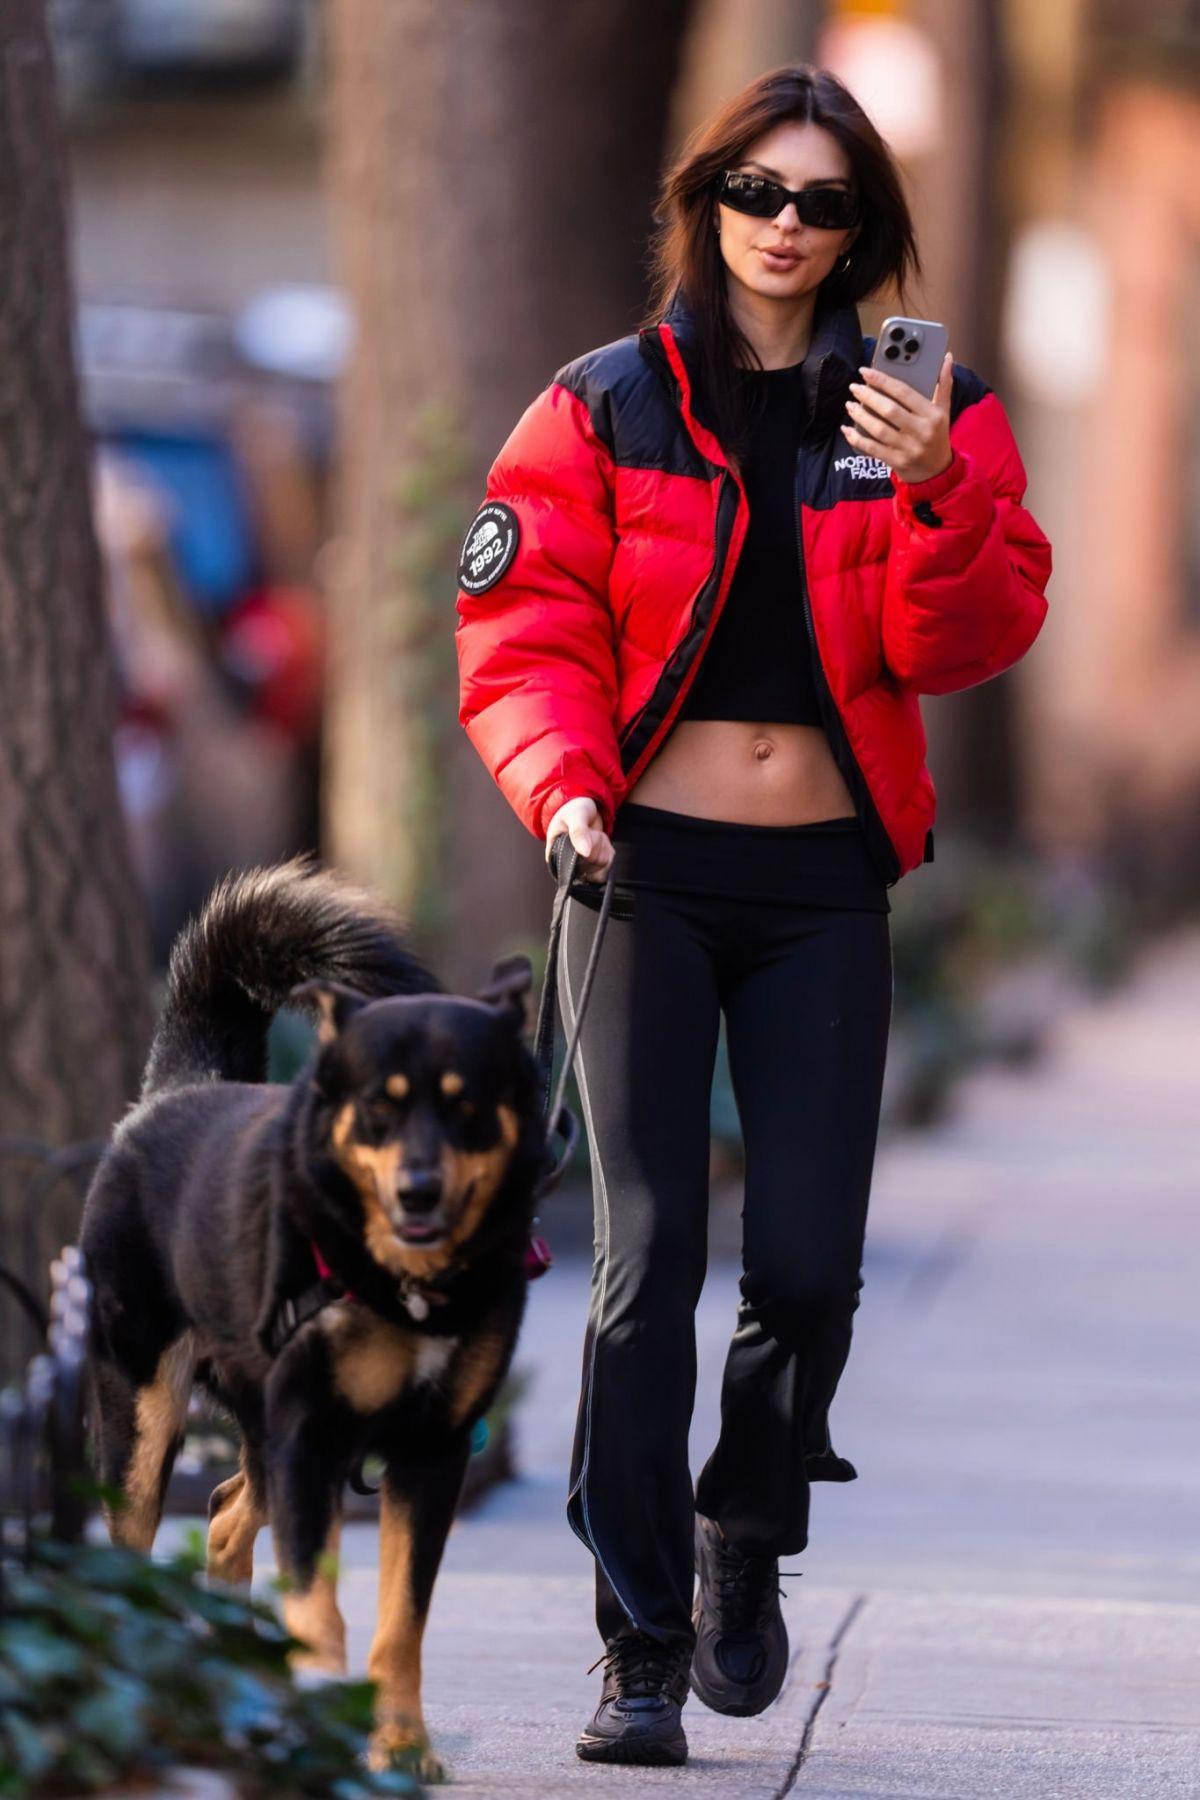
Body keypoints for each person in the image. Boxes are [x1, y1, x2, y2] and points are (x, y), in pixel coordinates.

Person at [454, 63, 1052, 1768]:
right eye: (761, 194)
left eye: (827, 204)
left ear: (867, 230)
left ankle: (743, 1525)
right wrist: (564, 782)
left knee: (804, 1266)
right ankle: (638, 1641)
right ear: (705, 201)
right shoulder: (604, 408)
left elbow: (973, 635)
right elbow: (524, 630)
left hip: (820, 889)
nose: (790, 229)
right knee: (650, 1266)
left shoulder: (924, 411)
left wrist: (944, 488)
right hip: (638, 867)